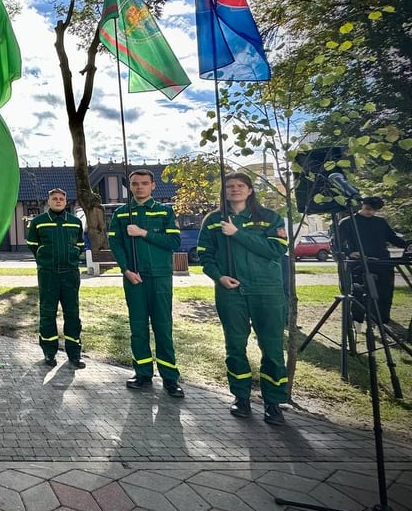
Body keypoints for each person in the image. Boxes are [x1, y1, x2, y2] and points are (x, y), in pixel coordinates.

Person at [197, 172, 289, 425]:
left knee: (272, 348)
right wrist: (219, 277)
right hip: (231, 291)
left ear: (250, 190)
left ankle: (273, 403)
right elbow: (205, 256)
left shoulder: (270, 217)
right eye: (229, 186)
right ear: (224, 192)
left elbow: (276, 250)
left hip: (266, 291)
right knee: (235, 346)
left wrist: (237, 233)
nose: (234, 189)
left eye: (240, 186)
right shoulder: (213, 220)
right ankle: (241, 397)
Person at [108, 170, 184, 397]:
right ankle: (142, 372)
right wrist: (126, 270)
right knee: (138, 327)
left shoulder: (164, 211)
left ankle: (170, 377)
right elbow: (116, 245)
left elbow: (174, 241)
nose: (139, 187)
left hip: (160, 276)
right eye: (134, 184)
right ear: (130, 187)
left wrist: (143, 233)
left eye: (144, 183)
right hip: (134, 277)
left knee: (163, 327)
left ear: (153, 186)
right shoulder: (122, 213)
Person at [26, 188, 86, 368]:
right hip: (48, 274)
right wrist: (46, 260)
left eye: (61, 199)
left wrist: (71, 257)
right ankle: (49, 352)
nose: (58, 201)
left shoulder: (75, 222)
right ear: (49, 202)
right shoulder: (38, 222)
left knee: (72, 313)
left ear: (66, 202)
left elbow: (80, 245)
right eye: (55, 198)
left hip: (70, 274)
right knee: (48, 312)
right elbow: (33, 244)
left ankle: (74, 354)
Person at [337, 196, 407, 327]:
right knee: (358, 291)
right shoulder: (347, 222)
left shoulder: (380, 222)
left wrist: (407, 246)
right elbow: (337, 242)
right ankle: (357, 320)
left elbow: (393, 238)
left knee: (385, 292)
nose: (370, 212)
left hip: (382, 261)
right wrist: (349, 253)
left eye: (374, 210)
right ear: (362, 205)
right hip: (359, 262)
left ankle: (381, 320)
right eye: (368, 208)